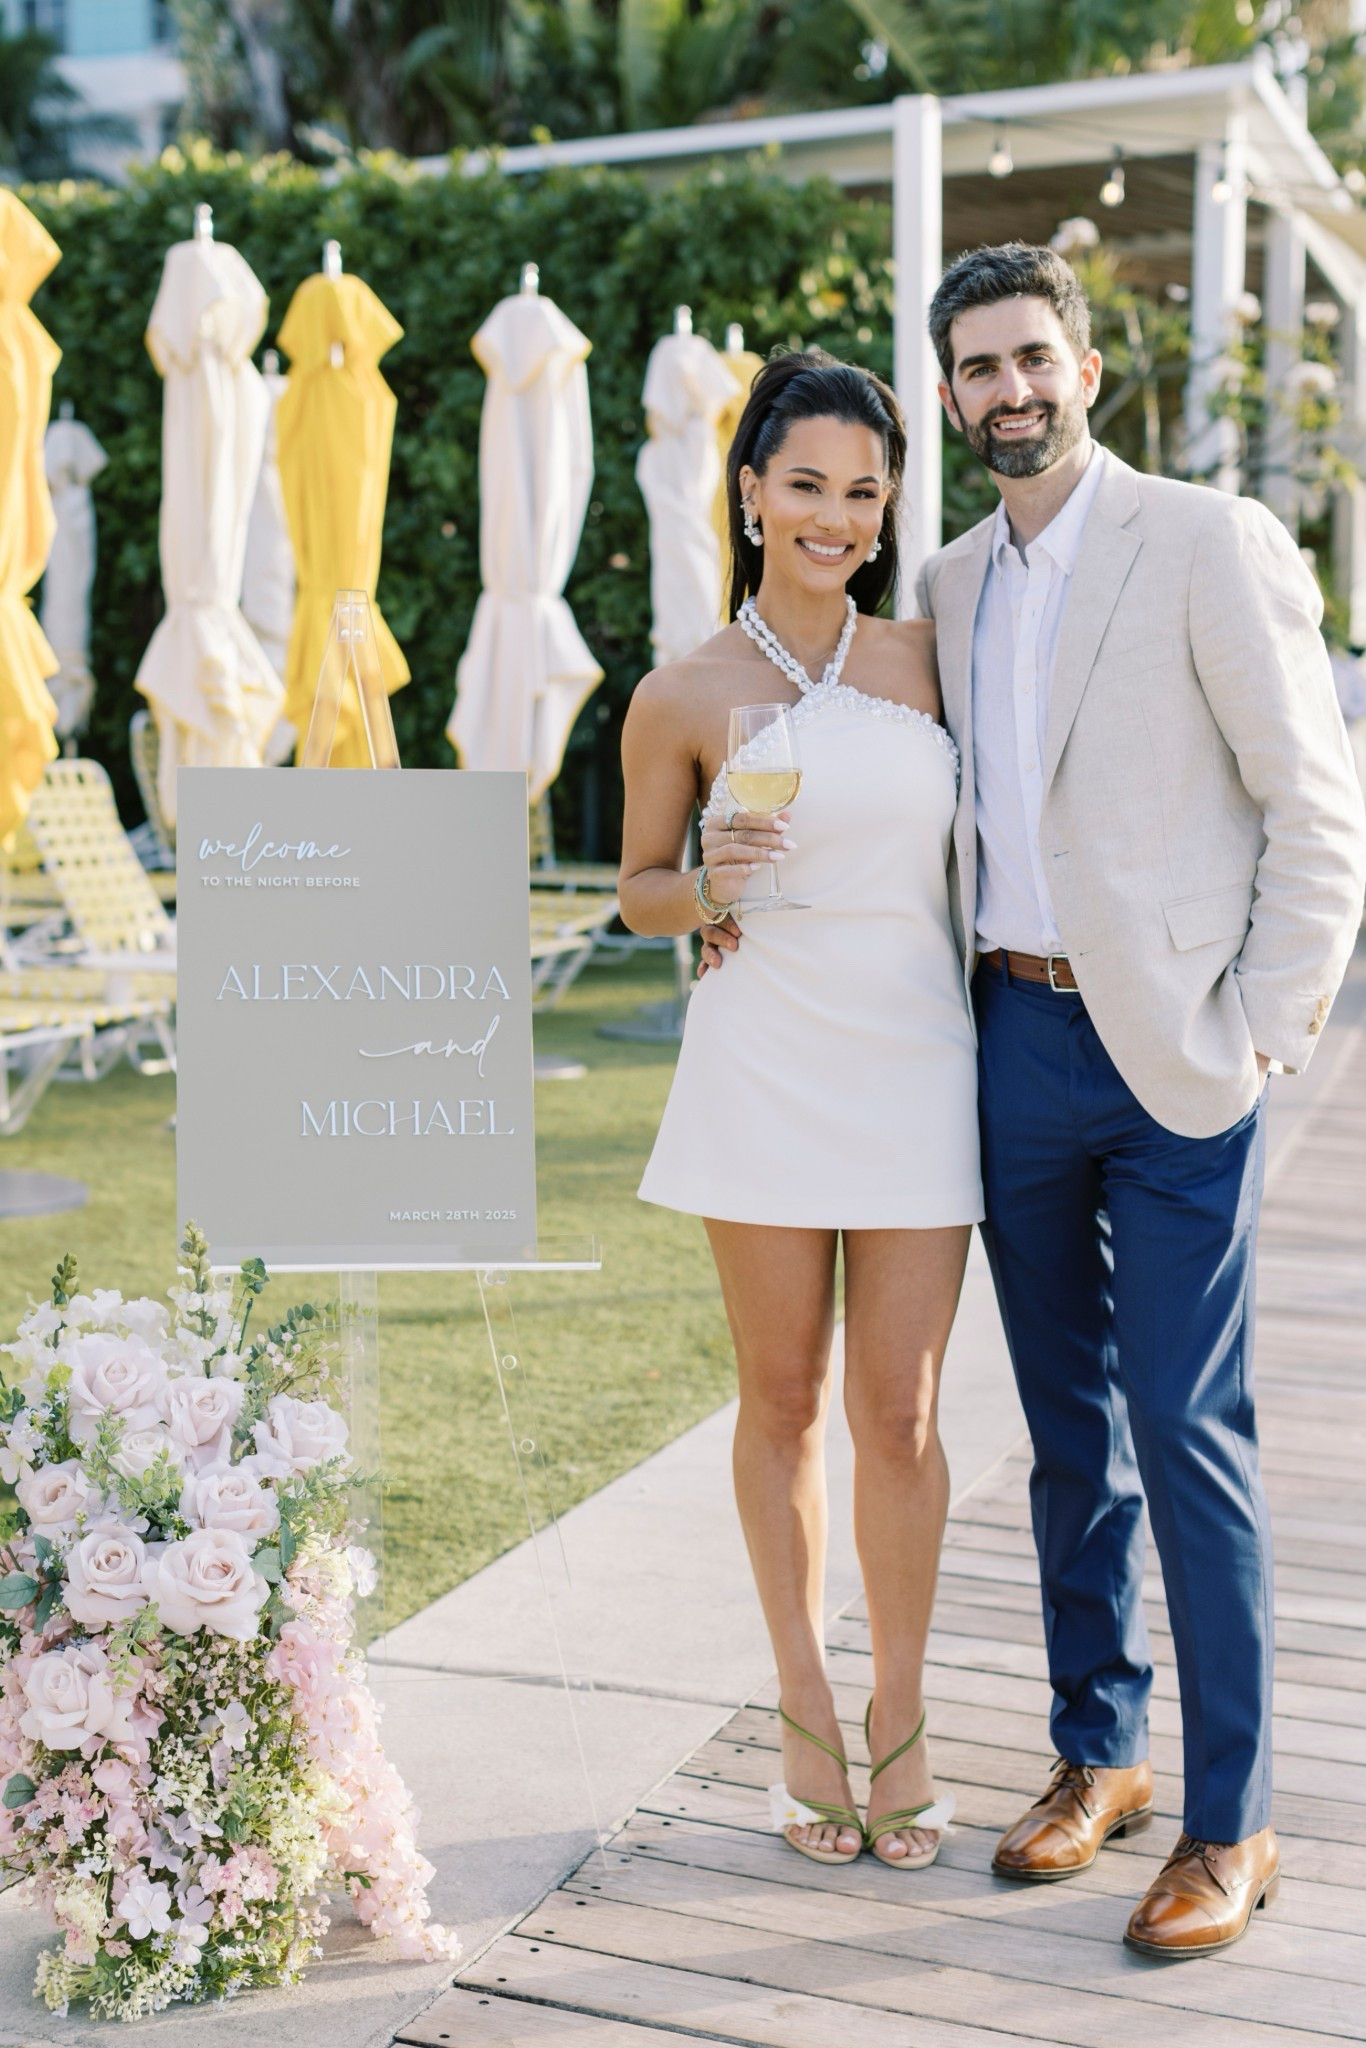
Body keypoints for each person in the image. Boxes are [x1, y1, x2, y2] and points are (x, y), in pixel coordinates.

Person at [913, 242, 1365, 1957]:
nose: (1007, 390)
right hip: (1010, 1045)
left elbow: (1316, 805)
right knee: (1061, 1436)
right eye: (976, 367)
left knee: (1188, 1429)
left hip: (1177, 1048)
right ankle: (1091, 1754)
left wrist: (1260, 1033)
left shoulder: (1202, 538)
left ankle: (1231, 1821)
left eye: (1032, 357)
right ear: (950, 395)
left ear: (1085, 368)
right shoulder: (949, 584)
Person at [620, 349, 982, 1870]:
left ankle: (898, 1718)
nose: (835, 516)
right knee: (777, 1404)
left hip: (916, 1065)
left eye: (864, 491)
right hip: (760, 1061)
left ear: (888, 507)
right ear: (751, 489)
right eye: (808, 486)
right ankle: (800, 1704)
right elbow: (634, 890)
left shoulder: (930, 659)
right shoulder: (684, 689)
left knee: (894, 1414)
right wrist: (702, 885)